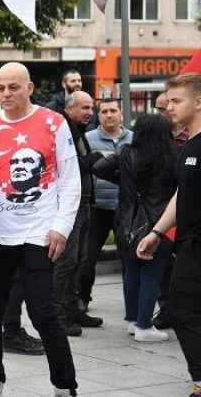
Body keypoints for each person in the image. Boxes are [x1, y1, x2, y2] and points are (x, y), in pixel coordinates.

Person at [0, 62, 79, 397]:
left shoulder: (53, 121)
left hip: (38, 233)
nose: (6, 93)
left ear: (30, 88)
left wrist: (61, 228)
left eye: (14, 87)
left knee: (43, 311)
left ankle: (64, 385)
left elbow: (71, 179)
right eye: (0, 87)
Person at [137, 73, 201, 397]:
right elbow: (181, 193)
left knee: (183, 309)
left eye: (177, 101)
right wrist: (157, 232)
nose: (169, 106)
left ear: (198, 102)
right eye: (168, 101)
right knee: (181, 309)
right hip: (188, 244)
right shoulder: (188, 145)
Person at [93, 114, 177, 342]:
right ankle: (144, 326)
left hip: (127, 221)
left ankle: (132, 320)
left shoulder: (126, 152)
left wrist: (123, 181)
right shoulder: (172, 157)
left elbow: (99, 167)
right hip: (159, 223)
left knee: (131, 272)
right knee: (152, 274)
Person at [54, 91, 105, 336]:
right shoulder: (62, 128)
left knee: (80, 260)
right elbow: (67, 166)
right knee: (66, 262)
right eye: (85, 108)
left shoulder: (77, 129)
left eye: (91, 108)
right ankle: (57, 316)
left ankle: (72, 310)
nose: (90, 113)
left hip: (84, 202)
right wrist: (95, 159)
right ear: (70, 107)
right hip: (70, 205)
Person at [79, 99, 132, 312]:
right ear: (98, 116)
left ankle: (132, 301)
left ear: (121, 113)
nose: (109, 115)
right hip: (97, 208)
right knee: (87, 257)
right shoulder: (88, 139)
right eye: (104, 111)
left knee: (129, 258)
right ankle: (82, 298)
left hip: (126, 208)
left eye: (113, 111)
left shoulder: (134, 139)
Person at [152, 91, 189, 329]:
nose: (164, 112)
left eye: (167, 106)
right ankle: (166, 309)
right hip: (160, 209)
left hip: (187, 210)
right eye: (159, 108)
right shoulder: (154, 138)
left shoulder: (191, 137)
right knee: (163, 265)